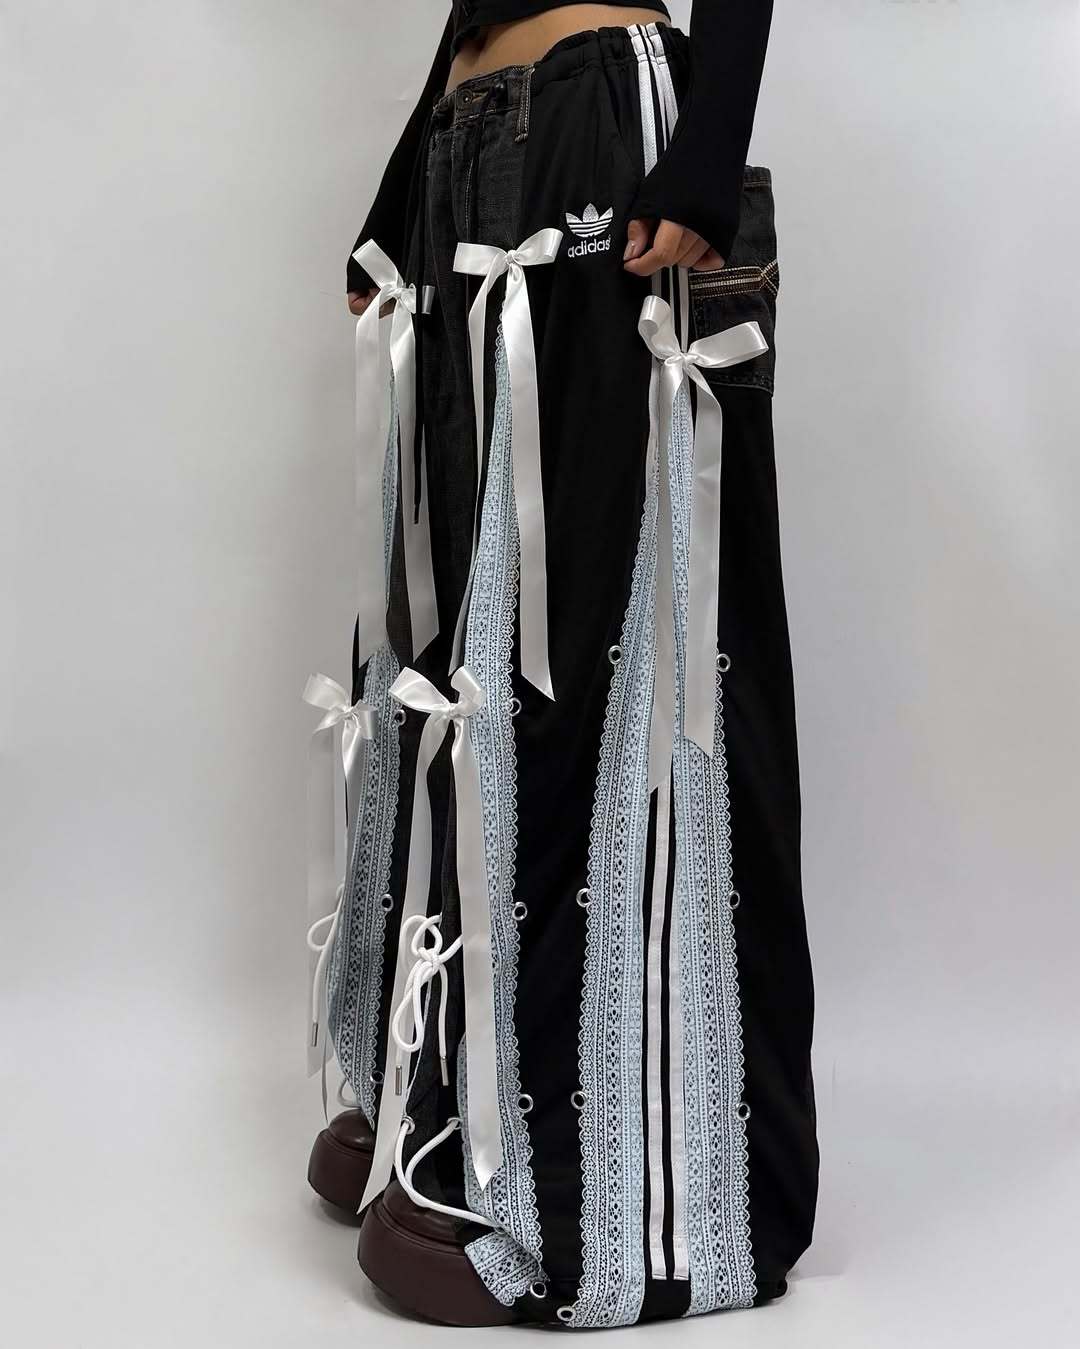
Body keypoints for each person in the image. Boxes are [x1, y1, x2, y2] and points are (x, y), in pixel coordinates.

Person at [305, 1, 819, 1329]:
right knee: (447, 637)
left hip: (603, 119)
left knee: (592, 633)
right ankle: (438, 1093)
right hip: (477, 134)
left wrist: (710, 150)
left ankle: (606, 1200)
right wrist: (404, 176)